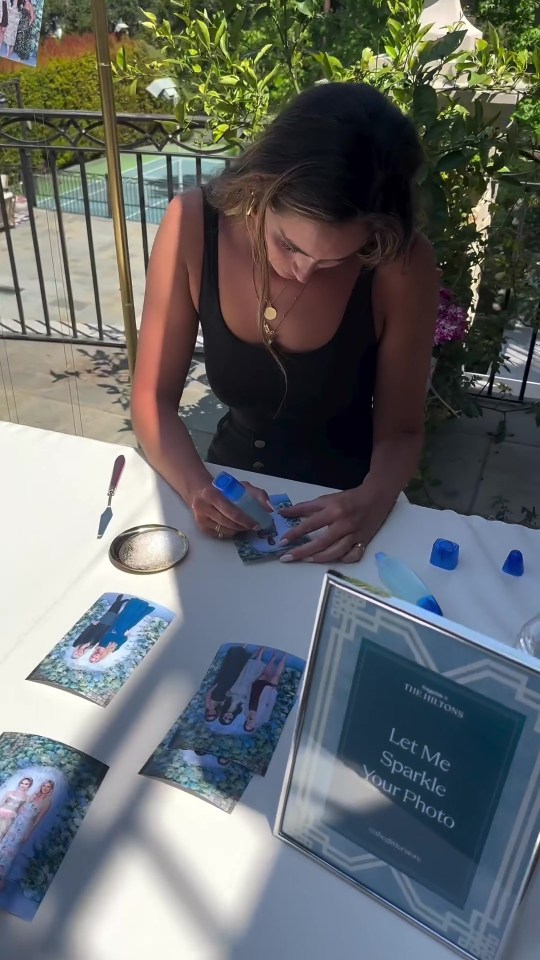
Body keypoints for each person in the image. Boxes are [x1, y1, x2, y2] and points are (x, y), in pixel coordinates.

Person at [132, 82, 439, 564]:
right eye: (289, 245)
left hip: (345, 513)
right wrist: (199, 488)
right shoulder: (193, 225)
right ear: (260, 187)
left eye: (335, 260)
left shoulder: (400, 264)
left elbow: (401, 431)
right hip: (227, 493)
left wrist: (372, 501)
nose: (303, 271)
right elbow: (151, 398)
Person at [0, 779, 54, 891]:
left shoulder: (47, 803)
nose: (45, 788)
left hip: (24, 828)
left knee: (11, 853)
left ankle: (1, 879)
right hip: (15, 824)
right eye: (43, 785)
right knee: (2, 847)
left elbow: (37, 821)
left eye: (47, 787)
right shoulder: (33, 797)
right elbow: (18, 810)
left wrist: (28, 834)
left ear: (51, 789)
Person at [87, 598, 154, 664]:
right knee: (133, 618)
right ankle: (143, 606)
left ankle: (136, 602)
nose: (95, 656)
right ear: (99, 659)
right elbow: (122, 641)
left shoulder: (98, 647)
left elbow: (104, 636)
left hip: (114, 628)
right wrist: (125, 635)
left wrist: (110, 632)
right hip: (122, 631)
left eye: (93, 656)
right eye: (96, 658)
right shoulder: (110, 651)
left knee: (124, 615)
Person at [71, 594, 130, 659]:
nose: (79, 653)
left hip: (98, 626)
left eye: (76, 654)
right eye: (79, 655)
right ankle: (120, 603)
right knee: (115, 616)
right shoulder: (89, 648)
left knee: (110, 613)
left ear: (74, 652)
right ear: (81, 655)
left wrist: (92, 625)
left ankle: (118, 601)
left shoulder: (76, 644)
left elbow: (84, 633)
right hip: (106, 629)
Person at [218, 647, 267, 726]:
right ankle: (261, 651)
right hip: (245, 689)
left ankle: (258, 651)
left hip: (236, 686)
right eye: (229, 719)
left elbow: (227, 693)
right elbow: (246, 701)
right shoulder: (239, 710)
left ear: (222, 716)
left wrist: (234, 695)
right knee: (253, 673)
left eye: (225, 718)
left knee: (245, 669)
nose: (228, 717)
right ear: (232, 719)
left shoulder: (223, 705)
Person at [243, 653, 286, 733]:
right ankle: (285, 657)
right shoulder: (263, 718)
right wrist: (273, 692)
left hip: (257, 689)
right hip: (269, 692)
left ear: (245, 723)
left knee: (265, 673)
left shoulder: (246, 713)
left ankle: (274, 657)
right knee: (276, 675)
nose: (249, 724)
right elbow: (270, 705)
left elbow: (248, 698)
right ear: (254, 726)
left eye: (247, 725)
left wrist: (251, 686)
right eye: (250, 726)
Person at [0, 776, 33, 842]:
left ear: (29, 786)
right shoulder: (9, 793)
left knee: (1, 833)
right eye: (22, 783)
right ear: (19, 783)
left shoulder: (28, 798)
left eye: (26, 784)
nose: (23, 785)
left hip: (9, 818)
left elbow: (21, 811)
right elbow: (1, 803)